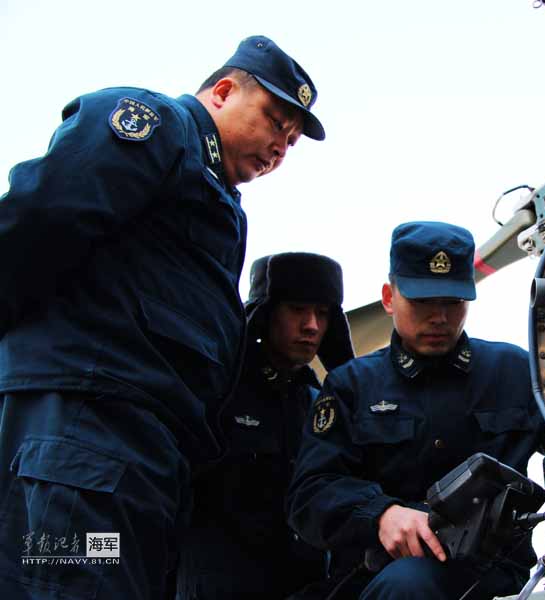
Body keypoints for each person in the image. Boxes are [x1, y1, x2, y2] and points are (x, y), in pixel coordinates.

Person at [0, 36, 325, 599]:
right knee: (74, 583)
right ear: (223, 92)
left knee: (100, 572)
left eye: (292, 141)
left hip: (133, 464)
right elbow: (41, 220)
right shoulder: (157, 125)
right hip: (86, 445)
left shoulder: (219, 197)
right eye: (275, 122)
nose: (280, 148)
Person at [287, 222, 545, 600]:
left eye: (452, 302)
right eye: (423, 302)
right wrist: (380, 514)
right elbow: (309, 494)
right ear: (389, 297)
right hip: (381, 579)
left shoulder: (515, 372)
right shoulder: (351, 386)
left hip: (494, 576)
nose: (439, 318)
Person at [177, 252, 354, 600]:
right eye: (298, 310)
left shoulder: (324, 406)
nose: (312, 326)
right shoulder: (215, 392)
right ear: (265, 314)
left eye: (322, 313)